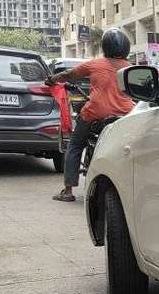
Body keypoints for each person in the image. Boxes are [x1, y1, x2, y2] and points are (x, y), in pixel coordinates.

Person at [47, 29, 134, 202]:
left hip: (95, 113)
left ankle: (68, 190)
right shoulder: (131, 68)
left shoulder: (94, 64)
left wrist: (52, 79)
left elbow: (67, 75)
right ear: (126, 47)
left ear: (105, 47)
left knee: (75, 145)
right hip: (125, 114)